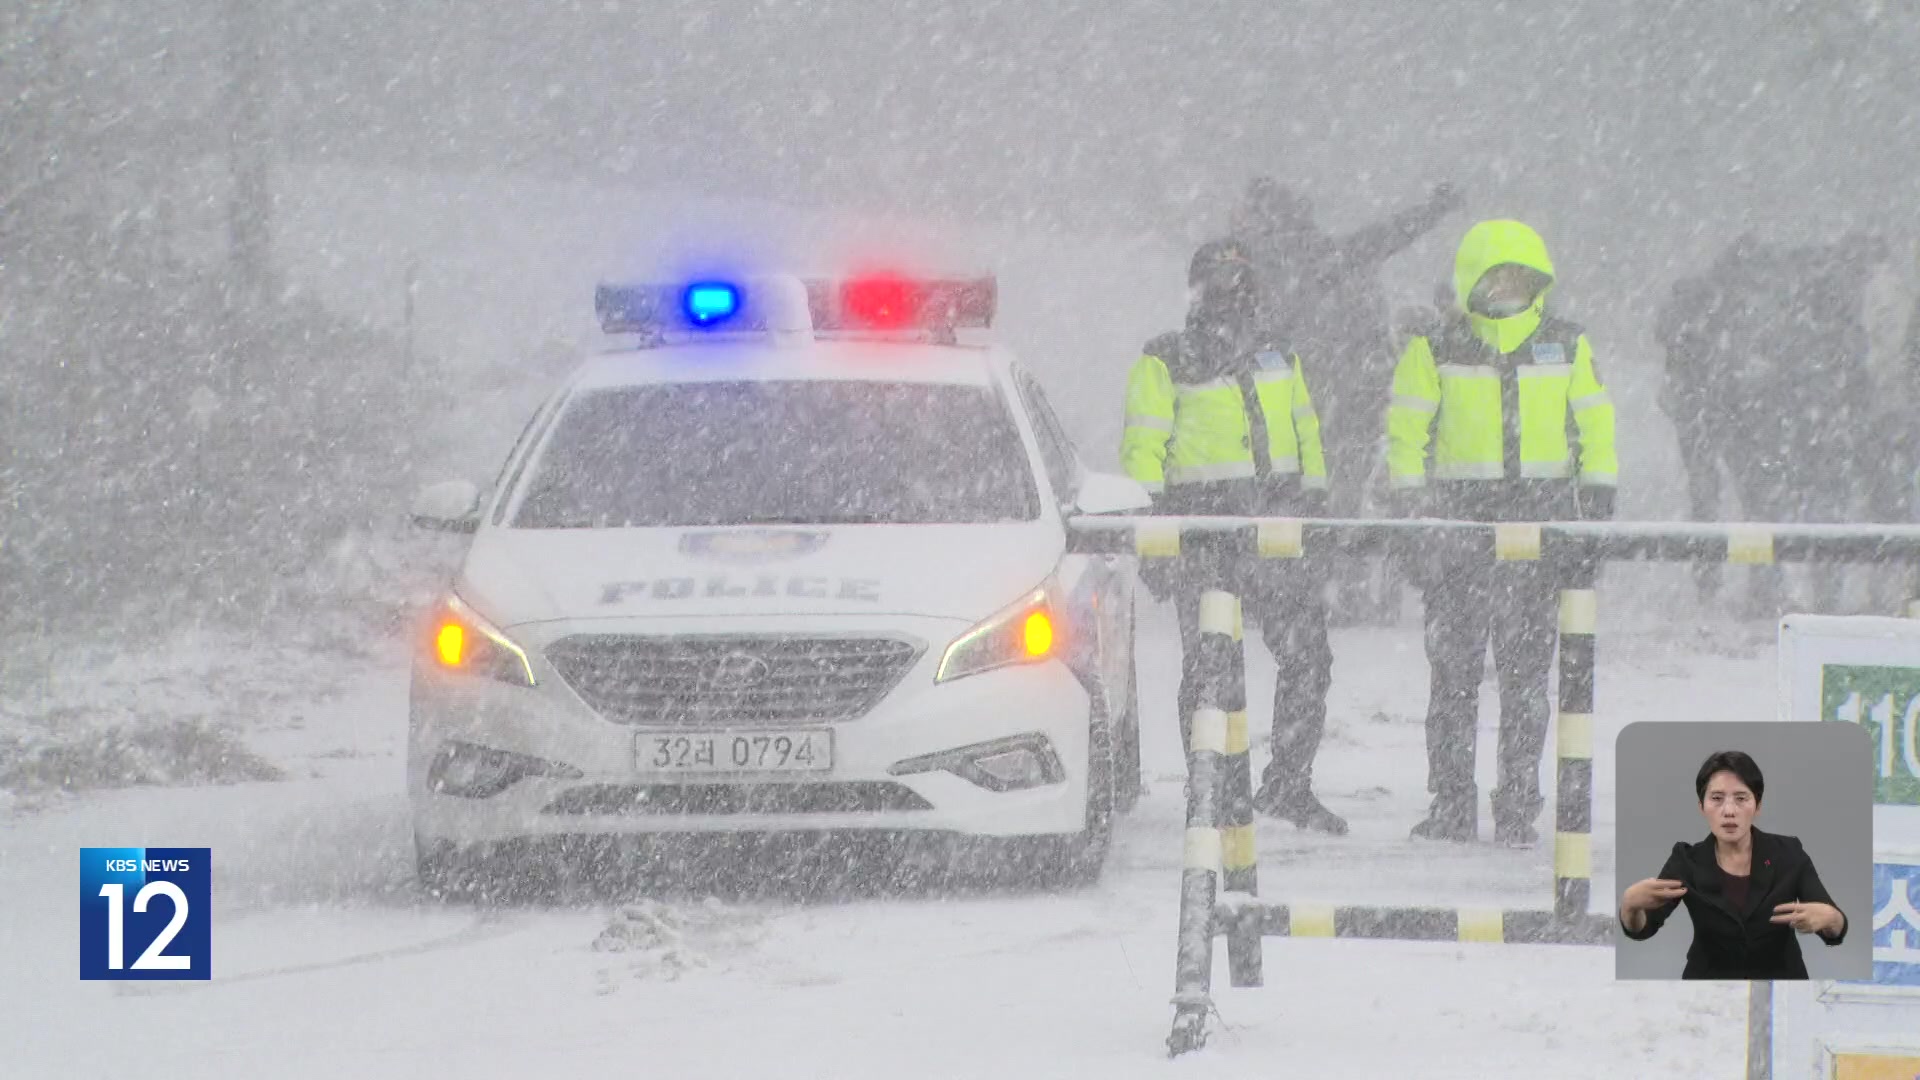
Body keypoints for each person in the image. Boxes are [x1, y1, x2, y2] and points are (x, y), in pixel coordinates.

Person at [1385, 219, 1618, 845]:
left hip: (1538, 533)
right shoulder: (1433, 348)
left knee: (1524, 679)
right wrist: (1412, 520)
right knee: (1454, 678)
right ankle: (1451, 804)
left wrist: (1596, 504)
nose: (1509, 287)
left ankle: (1518, 807)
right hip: (1458, 533)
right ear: (1471, 282)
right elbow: (1406, 438)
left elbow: (1595, 425)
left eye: (1521, 276)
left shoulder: (1568, 345)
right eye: (1497, 275)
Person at [1120, 238, 1345, 834]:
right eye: (1218, 279)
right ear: (1196, 289)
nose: (1230, 290)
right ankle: (1217, 792)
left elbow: (1307, 434)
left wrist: (1314, 514)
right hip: (1203, 533)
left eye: (1240, 278)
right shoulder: (1166, 358)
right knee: (1212, 669)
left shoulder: (1279, 355)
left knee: (1308, 658)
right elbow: (1143, 450)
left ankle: (1288, 786)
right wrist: (1155, 536)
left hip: (1278, 526)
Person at [1229, 178, 1465, 625]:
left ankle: (1302, 588)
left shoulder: (1269, 268)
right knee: (1341, 492)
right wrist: (1433, 211)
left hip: (1315, 396)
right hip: (1350, 392)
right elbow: (1388, 235)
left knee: (1301, 490)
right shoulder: (1325, 257)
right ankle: (1341, 589)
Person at [1618, 750, 1848, 979]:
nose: (1729, 811)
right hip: (1708, 987)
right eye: (1716, 799)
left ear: (1757, 806)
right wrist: (1630, 906)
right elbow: (1643, 929)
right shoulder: (1686, 861)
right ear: (1701, 806)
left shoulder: (1788, 854)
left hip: (1779, 985)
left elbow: (1835, 927)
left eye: (1741, 798)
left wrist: (1831, 918)